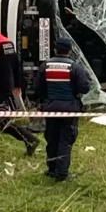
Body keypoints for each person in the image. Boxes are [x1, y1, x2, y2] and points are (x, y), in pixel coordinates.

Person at [0, 19, 39, 155]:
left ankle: (30, 139)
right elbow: (16, 64)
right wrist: (17, 83)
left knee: (2, 120)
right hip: (8, 84)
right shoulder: (7, 41)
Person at [34, 38, 90, 182]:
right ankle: (61, 172)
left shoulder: (45, 66)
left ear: (55, 49)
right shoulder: (74, 67)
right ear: (70, 51)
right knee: (65, 139)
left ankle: (51, 169)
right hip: (69, 109)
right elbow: (84, 88)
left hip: (51, 108)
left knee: (52, 138)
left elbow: (37, 87)